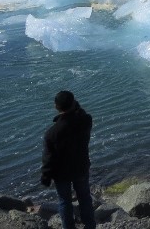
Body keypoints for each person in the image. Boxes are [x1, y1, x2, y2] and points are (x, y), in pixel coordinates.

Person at [42, 90, 96, 229]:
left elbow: (48, 158)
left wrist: (46, 176)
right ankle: (90, 226)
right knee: (84, 197)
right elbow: (83, 113)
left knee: (64, 201)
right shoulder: (85, 121)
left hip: (61, 174)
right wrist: (76, 107)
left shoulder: (52, 133)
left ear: (56, 107)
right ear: (74, 103)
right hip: (81, 167)